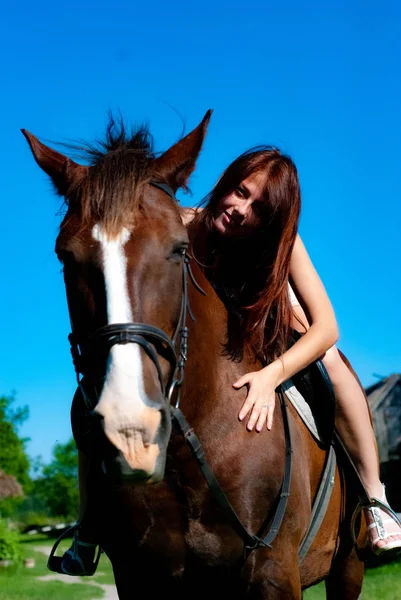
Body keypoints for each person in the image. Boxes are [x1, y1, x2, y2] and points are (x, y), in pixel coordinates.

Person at [59, 146, 401, 576]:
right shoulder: (179, 221)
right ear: (226, 181)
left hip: (268, 337)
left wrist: (270, 376)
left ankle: (375, 498)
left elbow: (327, 326)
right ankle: (89, 524)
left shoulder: (284, 242)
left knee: (333, 361)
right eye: (240, 191)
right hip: (204, 346)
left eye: (259, 207)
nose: (241, 209)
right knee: (92, 394)